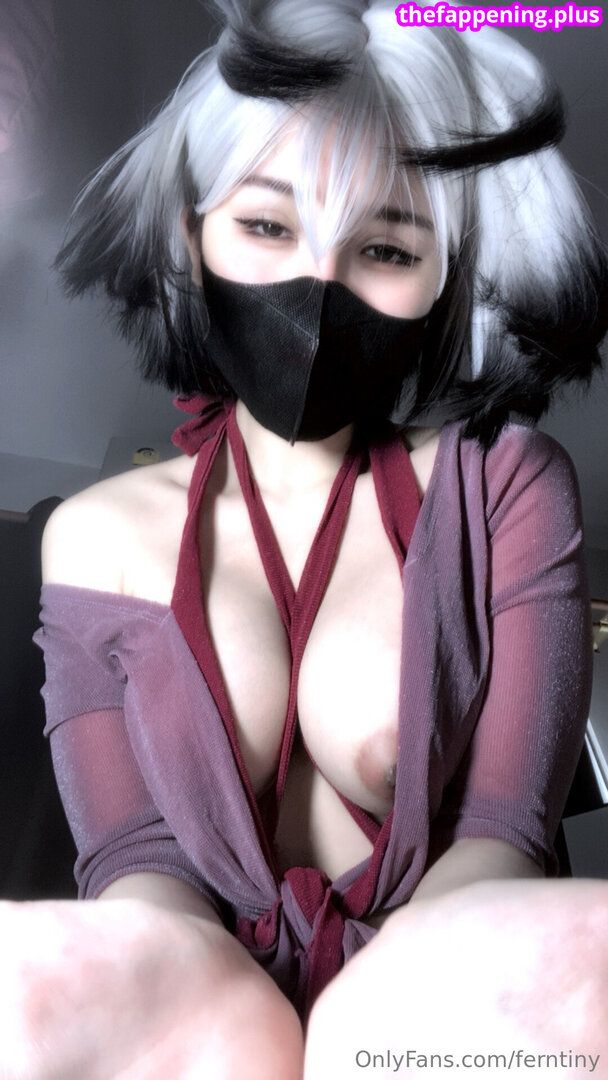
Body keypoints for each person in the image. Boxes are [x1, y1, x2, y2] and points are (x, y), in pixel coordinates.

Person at [9, 0, 607, 1074]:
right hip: (197, 1025)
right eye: (268, 226)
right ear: (191, 235)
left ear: (445, 278)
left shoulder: (506, 485)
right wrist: (165, 980)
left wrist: (409, 1003)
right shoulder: (94, 537)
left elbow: (505, 832)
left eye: (384, 246)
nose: (318, 287)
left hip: (453, 1012)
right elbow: (136, 858)